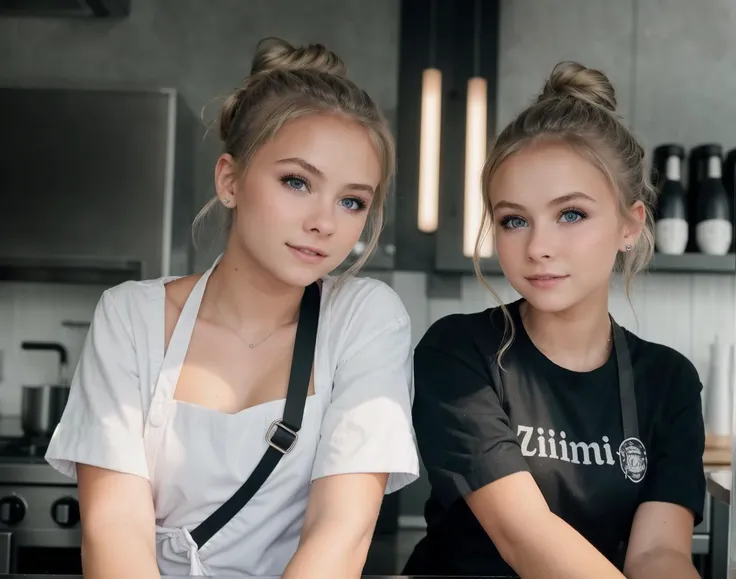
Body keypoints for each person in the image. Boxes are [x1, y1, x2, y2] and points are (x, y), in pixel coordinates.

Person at [45, 37, 419, 579]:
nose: (325, 221)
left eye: (352, 200)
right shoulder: (130, 317)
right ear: (230, 180)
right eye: (297, 182)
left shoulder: (365, 317)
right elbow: (114, 530)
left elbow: (340, 533)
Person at [403, 61, 705, 579]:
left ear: (630, 225)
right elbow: (526, 537)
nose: (539, 247)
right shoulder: (457, 352)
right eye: (514, 220)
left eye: (571, 214)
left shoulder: (669, 381)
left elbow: (660, 554)